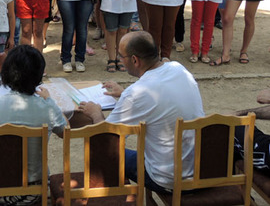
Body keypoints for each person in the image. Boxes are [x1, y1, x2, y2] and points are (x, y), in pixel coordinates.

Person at [78, 31, 205, 194]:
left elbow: (106, 141)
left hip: (167, 178)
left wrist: (96, 113)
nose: (119, 60)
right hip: (201, 169)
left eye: (120, 56)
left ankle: (107, 198)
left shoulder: (137, 94)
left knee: (102, 152)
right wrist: (125, 94)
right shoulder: (178, 68)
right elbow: (158, 97)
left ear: (134, 60)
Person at [0, 45, 67, 205]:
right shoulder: (47, 107)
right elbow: (65, 132)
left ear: (5, 73)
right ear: (39, 76)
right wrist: (50, 101)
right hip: (34, 190)